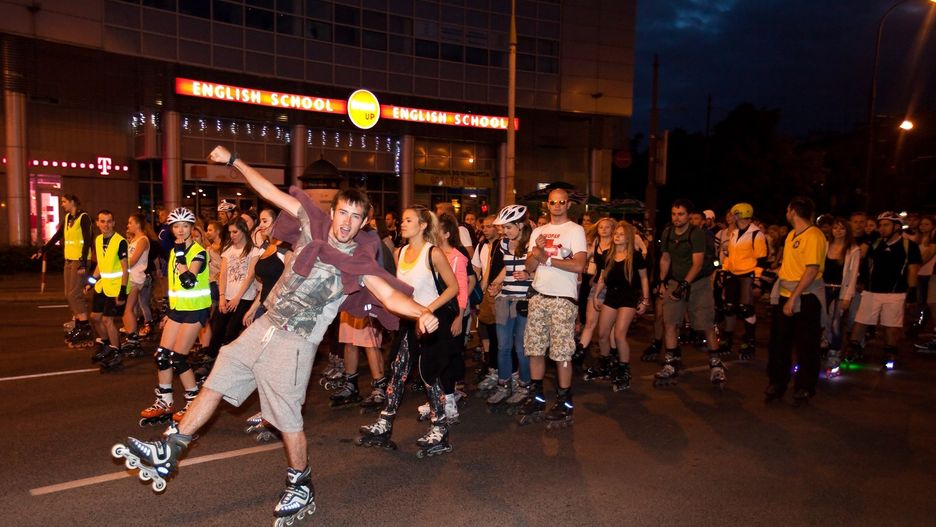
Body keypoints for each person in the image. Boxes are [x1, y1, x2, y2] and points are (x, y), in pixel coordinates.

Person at [116, 146, 439, 522]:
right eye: (343, 213)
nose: (347, 222)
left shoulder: (357, 263)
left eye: (356, 216)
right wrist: (235, 162)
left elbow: (388, 294)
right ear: (333, 213)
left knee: (288, 420)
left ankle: (300, 481)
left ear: (364, 222)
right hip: (266, 326)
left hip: (297, 343)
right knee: (217, 379)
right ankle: (170, 449)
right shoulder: (310, 225)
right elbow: (269, 192)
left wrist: (423, 312)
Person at [358, 205, 459, 456]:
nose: (402, 224)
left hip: (431, 323)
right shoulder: (399, 251)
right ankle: (384, 423)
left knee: (428, 374)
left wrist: (426, 310)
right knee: (398, 372)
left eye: (408, 220)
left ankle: (440, 429)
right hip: (407, 322)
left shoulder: (433, 253)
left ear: (423, 225)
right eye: (402, 220)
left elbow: (453, 288)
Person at [518, 188, 587, 429]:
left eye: (561, 202)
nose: (557, 206)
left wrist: (545, 257)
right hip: (538, 295)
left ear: (568, 205)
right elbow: (528, 266)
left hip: (562, 299)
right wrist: (536, 252)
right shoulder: (539, 230)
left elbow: (580, 265)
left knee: (561, 353)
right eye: (552, 202)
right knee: (535, 348)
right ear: (547, 205)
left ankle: (565, 402)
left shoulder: (575, 230)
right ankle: (537, 398)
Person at [136, 207, 211, 426]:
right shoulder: (173, 253)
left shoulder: (198, 252)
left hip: (195, 310)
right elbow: (175, 286)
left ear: (191, 228)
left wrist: (180, 255)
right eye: (176, 226)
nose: (180, 230)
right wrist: (168, 312)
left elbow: (188, 280)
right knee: (161, 356)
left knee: (178, 359)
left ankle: (193, 401)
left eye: (185, 226)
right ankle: (165, 401)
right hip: (178, 310)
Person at [654, 199, 724, 387]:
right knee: (669, 322)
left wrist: (684, 285)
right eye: (674, 214)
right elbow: (666, 258)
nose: (676, 218)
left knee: (705, 324)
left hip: (698, 284)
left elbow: (698, 263)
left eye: (681, 214)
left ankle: (716, 364)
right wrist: (662, 281)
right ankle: (670, 363)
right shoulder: (668, 232)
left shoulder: (697, 234)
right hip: (675, 282)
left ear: (688, 216)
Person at [765, 197, 827, 406]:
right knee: (779, 343)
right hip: (785, 293)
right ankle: (777, 382)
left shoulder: (814, 236)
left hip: (805, 296)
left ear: (792, 211)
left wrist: (794, 298)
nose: (786, 213)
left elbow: (811, 270)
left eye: (787, 210)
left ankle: (804, 387)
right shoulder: (791, 235)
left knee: (806, 345)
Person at [846, 212, 921, 369]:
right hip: (872, 290)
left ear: (897, 227)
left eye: (886, 225)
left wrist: (912, 292)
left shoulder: (909, 246)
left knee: (891, 325)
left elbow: (913, 269)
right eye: (880, 225)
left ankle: (890, 350)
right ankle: (854, 348)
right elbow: (860, 256)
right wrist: (869, 239)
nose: (882, 228)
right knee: (861, 321)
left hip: (895, 292)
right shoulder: (875, 243)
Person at [586, 221, 650, 391]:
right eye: (616, 234)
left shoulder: (635, 256)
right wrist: (597, 295)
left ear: (628, 237)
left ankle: (624, 369)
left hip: (629, 297)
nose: (617, 237)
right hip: (611, 295)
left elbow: (644, 278)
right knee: (602, 334)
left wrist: (645, 300)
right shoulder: (608, 254)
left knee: (620, 334)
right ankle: (605, 364)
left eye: (621, 234)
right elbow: (602, 277)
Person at [484, 205, 533, 409]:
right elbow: (506, 267)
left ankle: (525, 386)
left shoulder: (532, 244)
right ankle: (504, 385)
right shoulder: (504, 243)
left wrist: (529, 276)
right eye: (504, 228)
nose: (505, 232)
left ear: (521, 225)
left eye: (509, 227)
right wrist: (496, 284)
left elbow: (543, 270)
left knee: (521, 348)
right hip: (505, 299)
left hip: (524, 301)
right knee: (503, 347)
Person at [33, 194, 94, 347]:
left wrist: (83, 263)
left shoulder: (84, 217)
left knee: (75, 293)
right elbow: (57, 236)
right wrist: (43, 250)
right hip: (68, 260)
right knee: (68, 293)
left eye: (64, 202)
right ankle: (80, 324)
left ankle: (85, 327)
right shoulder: (68, 218)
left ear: (73, 202)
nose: (62, 204)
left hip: (79, 261)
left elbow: (88, 239)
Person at [202, 218, 262, 370]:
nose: (232, 235)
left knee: (232, 330)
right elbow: (223, 274)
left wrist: (237, 298)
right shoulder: (228, 250)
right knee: (218, 327)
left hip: (244, 297)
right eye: (230, 232)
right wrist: (222, 297)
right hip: (227, 295)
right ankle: (210, 357)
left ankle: (228, 363)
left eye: (235, 232)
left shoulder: (254, 250)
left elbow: (250, 276)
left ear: (243, 231)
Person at [718, 203, 768, 360]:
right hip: (732, 274)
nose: (732, 216)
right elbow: (729, 255)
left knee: (746, 308)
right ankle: (727, 338)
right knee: (729, 307)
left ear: (742, 214)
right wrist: (724, 271)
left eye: (734, 213)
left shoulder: (756, 234)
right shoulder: (734, 233)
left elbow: (761, 259)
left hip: (748, 274)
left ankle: (749, 340)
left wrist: (757, 279)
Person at [85, 210, 130, 372]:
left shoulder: (120, 241)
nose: (106, 225)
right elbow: (100, 265)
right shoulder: (98, 240)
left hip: (116, 287)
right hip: (103, 285)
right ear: (97, 223)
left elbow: (125, 268)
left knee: (107, 320)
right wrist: (91, 281)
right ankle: (106, 345)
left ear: (114, 223)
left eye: (109, 221)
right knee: (95, 318)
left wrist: (123, 291)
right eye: (103, 221)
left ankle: (117, 354)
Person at [823, 218, 861, 375]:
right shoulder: (825, 245)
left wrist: (847, 296)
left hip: (840, 290)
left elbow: (852, 276)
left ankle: (834, 355)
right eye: (835, 228)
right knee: (823, 320)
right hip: (823, 288)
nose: (838, 231)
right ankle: (824, 344)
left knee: (836, 323)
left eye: (842, 229)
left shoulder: (852, 249)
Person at [578, 217, 615, 354]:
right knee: (589, 323)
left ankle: (612, 356)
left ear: (613, 229)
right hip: (597, 286)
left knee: (610, 328)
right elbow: (583, 259)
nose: (604, 229)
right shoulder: (596, 244)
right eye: (601, 227)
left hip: (613, 288)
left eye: (607, 227)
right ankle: (580, 352)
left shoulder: (616, 244)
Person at [120, 213, 152, 357]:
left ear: (138, 224)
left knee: (128, 309)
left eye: (130, 223)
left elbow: (132, 261)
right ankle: (130, 335)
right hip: (130, 277)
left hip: (136, 278)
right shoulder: (133, 239)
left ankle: (132, 338)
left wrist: (119, 264)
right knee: (128, 310)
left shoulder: (143, 240)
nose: (128, 225)